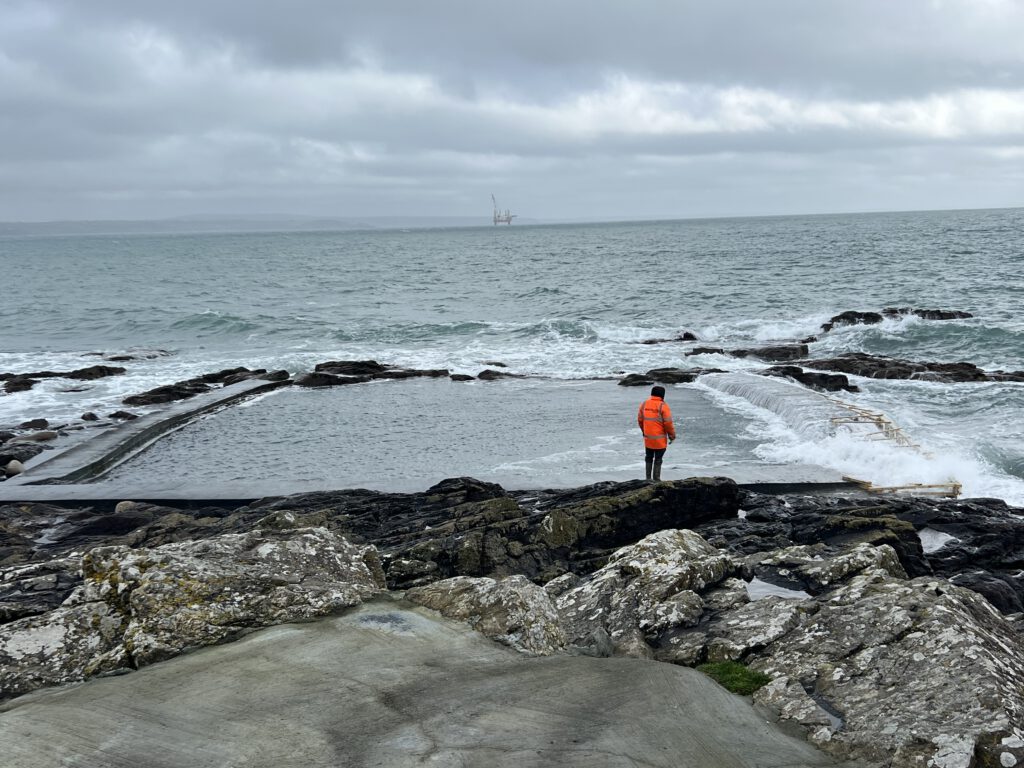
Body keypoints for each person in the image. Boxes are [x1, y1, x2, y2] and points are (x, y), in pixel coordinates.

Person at [637, 385, 676, 481]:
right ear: (663, 395)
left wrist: (644, 431)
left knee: (648, 457)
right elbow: (668, 423)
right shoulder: (663, 406)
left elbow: (640, 420)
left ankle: (648, 479)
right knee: (658, 459)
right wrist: (672, 436)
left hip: (648, 439)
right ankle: (656, 479)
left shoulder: (644, 404)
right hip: (660, 440)